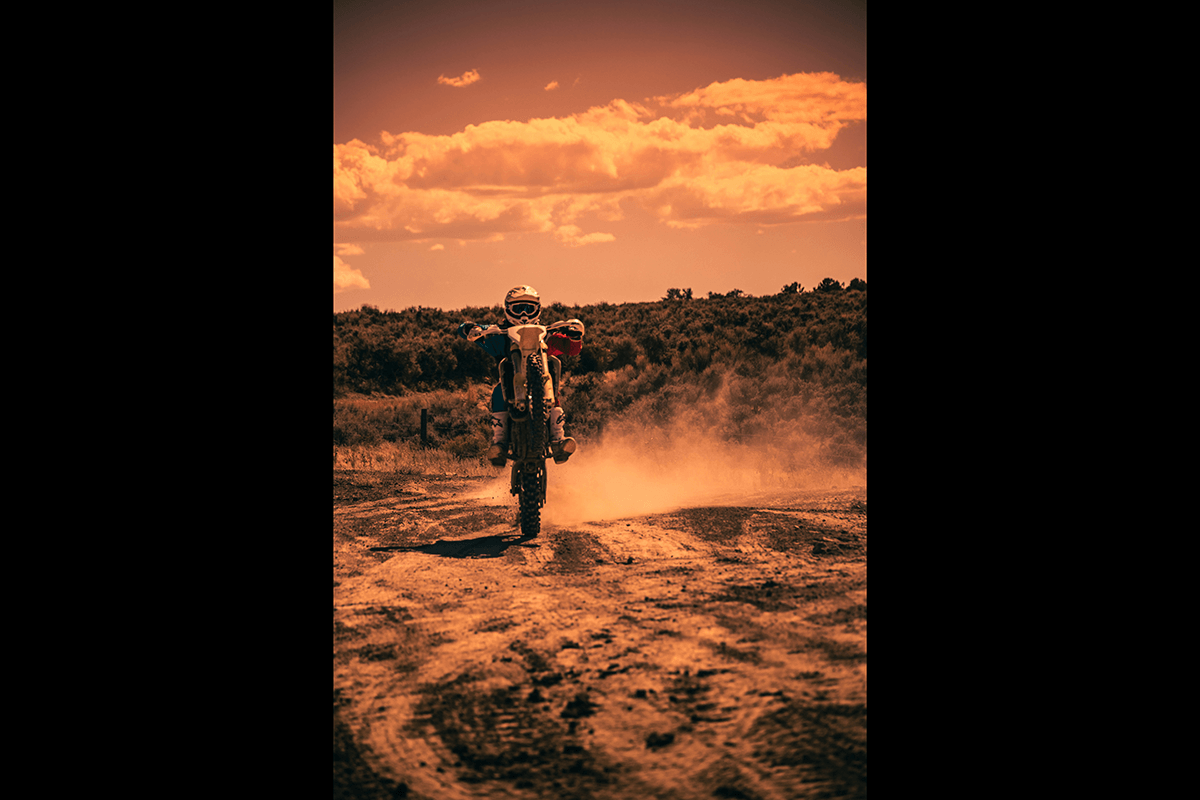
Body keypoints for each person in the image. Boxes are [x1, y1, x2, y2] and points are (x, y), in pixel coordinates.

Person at [457, 285, 584, 466]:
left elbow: (572, 349)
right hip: (508, 388)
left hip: (542, 386)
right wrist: (470, 328)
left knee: (554, 381)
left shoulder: (545, 334)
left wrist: (574, 336)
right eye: (518, 309)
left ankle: (558, 439)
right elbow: (467, 330)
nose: (524, 314)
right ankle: (499, 443)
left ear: (537, 310)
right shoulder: (499, 334)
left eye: (528, 308)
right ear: (508, 310)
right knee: (497, 392)